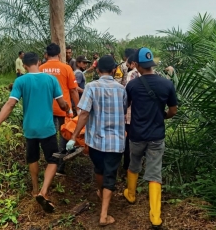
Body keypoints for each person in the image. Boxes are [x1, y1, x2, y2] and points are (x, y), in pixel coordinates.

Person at [0, 52, 70, 213]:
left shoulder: (21, 81)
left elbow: (10, 104)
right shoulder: (51, 79)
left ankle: (34, 189)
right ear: (39, 62)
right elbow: (61, 104)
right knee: (53, 160)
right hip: (47, 128)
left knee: (33, 158)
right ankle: (43, 192)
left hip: (30, 128)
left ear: (24, 65)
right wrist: (67, 107)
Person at [66, 55, 126, 226]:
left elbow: (83, 114)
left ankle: (101, 194)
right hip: (115, 141)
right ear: (114, 70)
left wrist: (73, 136)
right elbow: (123, 110)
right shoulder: (121, 89)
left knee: (99, 169)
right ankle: (104, 214)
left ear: (98, 70)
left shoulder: (91, 87)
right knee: (110, 174)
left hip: (96, 141)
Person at [124, 47, 178, 228]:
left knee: (134, 163)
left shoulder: (132, 85)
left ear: (137, 65)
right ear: (152, 65)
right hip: (156, 135)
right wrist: (163, 117)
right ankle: (155, 216)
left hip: (137, 134)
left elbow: (126, 107)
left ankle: (130, 195)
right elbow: (173, 110)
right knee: (155, 173)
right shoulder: (167, 84)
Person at [39, 43, 79, 176]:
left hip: (46, 108)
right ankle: (60, 167)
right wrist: (78, 108)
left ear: (46, 54)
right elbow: (73, 90)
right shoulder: (66, 68)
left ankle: (50, 162)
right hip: (64, 108)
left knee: (49, 135)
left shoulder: (40, 69)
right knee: (64, 135)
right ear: (59, 54)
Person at [121, 49, 140, 174]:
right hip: (142, 115)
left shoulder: (131, 74)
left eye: (128, 66)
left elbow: (127, 95)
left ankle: (127, 168)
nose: (127, 68)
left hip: (130, 114)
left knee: (128, 142)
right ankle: (138, 166)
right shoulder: (152, 73)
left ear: (133, 63)